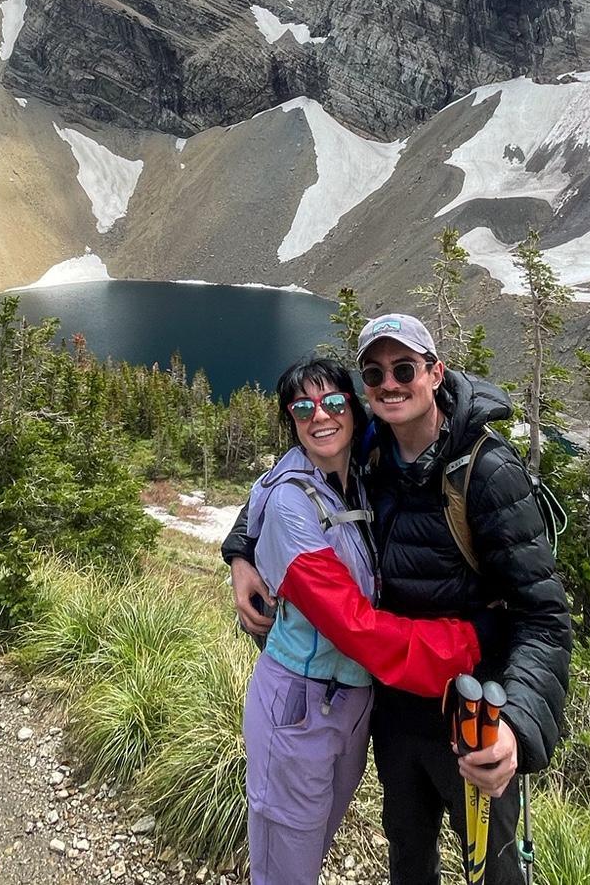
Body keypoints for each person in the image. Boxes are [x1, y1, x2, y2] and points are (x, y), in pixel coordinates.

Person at [225, 316, 572, 885]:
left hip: (472, 712)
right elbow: (286, 479)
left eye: (405, 369)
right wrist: (241, 549)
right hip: (393, 712)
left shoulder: (486, 472)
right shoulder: (372, 447)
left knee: (495, 871)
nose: (390, 383)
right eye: (374, 373)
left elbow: (543, 617)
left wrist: (516, 724)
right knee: (408, 857)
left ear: (435, 373)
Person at [243, 356, 496, 885]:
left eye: (334, 402)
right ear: (290, 420)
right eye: (302, 408)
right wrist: (470, 642)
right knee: (286, 861)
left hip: (352, 707)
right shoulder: (293, 501)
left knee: (311, 842)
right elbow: (354, 626)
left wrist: (237, 552)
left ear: (354, 412)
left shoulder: (356, 473)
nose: (320, 417)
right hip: (299, 707)